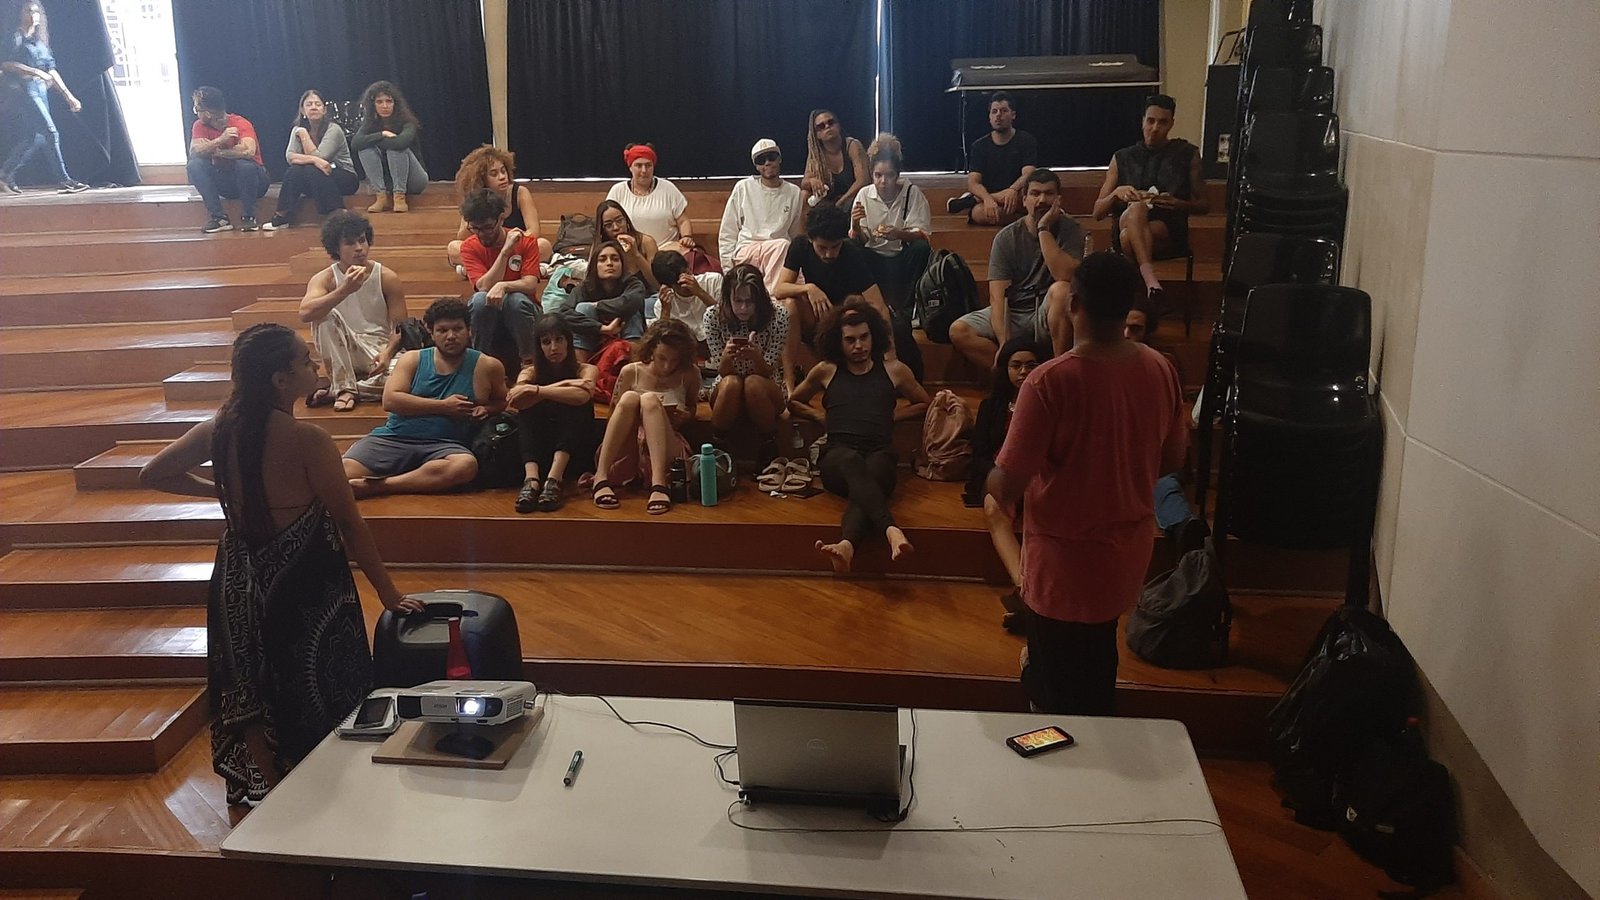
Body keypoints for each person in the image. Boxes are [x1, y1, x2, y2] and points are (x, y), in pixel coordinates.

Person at [138, 323, 424, 804]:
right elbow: (350, 525)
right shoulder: (308, 440)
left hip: (237, 574)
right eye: (305, 361)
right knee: (310, 675)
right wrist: (389, 594)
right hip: (304, 578)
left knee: (249, 678)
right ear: (280, 378)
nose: (315, 367)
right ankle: (324, 784)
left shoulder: (219, 428)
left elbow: (152, 473)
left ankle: (274, 792)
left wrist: (223, 491)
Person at [987, 252, 1188, 716]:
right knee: (1097, 659)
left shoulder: (1048, 383)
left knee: (1054, 693)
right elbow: (1173, 459)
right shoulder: (1161, 368)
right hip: (1127, 551)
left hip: (1064, 560)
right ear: (1127, 307)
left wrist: (997, 472)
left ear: (1072, 303)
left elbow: (1008, 484)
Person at [789, 300, 929, 574]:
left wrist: (892, 417)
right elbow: (794, 401)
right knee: (852, 462)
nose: (858, 346)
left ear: (873, 335)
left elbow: (923, 402)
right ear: (837, 341)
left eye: (864, 337)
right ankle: (891, 529)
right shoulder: (826, 370)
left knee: (871, 473)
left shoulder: (894, 370)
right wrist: (820, 417)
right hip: (837, 457)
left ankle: (847, 546)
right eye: (850, 340)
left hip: (880, 452)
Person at [342, 297, 506, 498]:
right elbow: (391, 400)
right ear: (431, 331)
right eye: (443, 330)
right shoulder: (413, 359)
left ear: (468, 329)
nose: (451, 336)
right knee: (343, 471)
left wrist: (487, 410)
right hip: (395, 437)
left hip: (445, 445)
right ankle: (416, 477)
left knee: (465, 466)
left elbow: (502, 402)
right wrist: (444, 406)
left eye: (457, 329)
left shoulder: (488, 366)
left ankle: (382, 486)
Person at [949, 169, 1085, 373]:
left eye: (1048, 194)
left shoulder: (1071, 230)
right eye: (1035, 193)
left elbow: (1066, 276)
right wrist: (1005, 345)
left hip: (1048, 312)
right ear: (1024, 199)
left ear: (1058, 199)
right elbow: (998, 296)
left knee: (1062, 291)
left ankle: (1059, 373)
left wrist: (1043, 230)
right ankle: (1012, 378)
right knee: (959, 330)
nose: (1041, 200)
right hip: (1014, 310)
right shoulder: (1007, 237)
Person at [959, 338, 1048, 633]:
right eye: (1016, 365)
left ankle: (1030, 594)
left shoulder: (1051, 404)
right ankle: (1023, 585)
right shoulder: (992, 406)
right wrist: (1002, 473)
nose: (1023, 371)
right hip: (1001, 475)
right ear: (1005, 369)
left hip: (1040, 477)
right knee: (993, 506)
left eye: (1031, 365)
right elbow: (980, 454)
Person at [1093, 94, 1207, 300]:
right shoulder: (1122, 157)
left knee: (1128, 236)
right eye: (1150, 121)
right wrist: (1116, 194)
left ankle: (1136, 297)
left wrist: (1177, 203)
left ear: (1172, 124)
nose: (1155, 128)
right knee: (1135, 211)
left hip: (1167, 231)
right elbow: (1097, 212)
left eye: (1162, 122)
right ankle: (1150, 283)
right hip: (1125, 225)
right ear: (1142, 121)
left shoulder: (1187, 153)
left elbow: (1204, 205)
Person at [298, 211, 406, 412]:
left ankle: (341, 389)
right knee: (324, 314)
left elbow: (400, 329)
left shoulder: (386, 276)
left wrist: (387, 353)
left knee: (410, 380)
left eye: (362, 240)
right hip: (345, 349)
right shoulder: (325, 278)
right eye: (349, 243)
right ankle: (345, 389)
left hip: (379, 351)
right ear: (336, 248)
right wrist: (344, 290)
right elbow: (305, 313)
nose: (359, 248)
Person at [775, 204, 896, 381]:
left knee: (854, 300)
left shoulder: (851, 253)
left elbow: (878, 305)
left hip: (843, 323)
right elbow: (779, 289)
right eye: (822, 248)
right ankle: (789, 382)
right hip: (815, 319)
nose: (829, 254)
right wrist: (809, 288)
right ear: (810, 239)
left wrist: (892, 359)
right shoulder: (800, 246)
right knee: (790, 304)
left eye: (835, 247)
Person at [590, 318, 700, 515]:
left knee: (649, 401)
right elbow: (614, 414)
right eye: (662, 358)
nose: (667, 366)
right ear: (651, 352)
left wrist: (685, 416)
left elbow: (692, 406)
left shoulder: (689, 374)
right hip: (630, 444)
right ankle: (601, 477)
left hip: (666, 443)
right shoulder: (631, 372)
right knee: (632, 398)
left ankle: (659, 483)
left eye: (674, 360)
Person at [851, 133, 931, 380]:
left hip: (901, 255)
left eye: (888, 176)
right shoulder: (864, 195)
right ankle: (875, 302)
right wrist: (855, 226)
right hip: (874, 256)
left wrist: (899, 234)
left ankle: (905, 307)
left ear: (897, 175)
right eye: (877, 175)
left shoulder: (911, 193)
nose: (883, 181)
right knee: (852, 249)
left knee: (921, 250)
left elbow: (924, 235)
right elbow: (859, 239)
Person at [507, 315, 598, 514]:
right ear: (539, 347)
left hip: (574, 449)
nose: (553, 347)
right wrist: (560, 385)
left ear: (568, 342)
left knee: (572, 404)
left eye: (559, 340)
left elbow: (583, 396)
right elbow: (516, 400)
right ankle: (531, 480)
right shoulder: (529, 372)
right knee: (527, 410)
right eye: (546, 342)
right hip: (540, 447)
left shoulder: (586, 369)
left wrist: (537, 391)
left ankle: (554, 480)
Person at [703, 264, 790, 461]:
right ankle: (717, 449)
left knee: (753, 383)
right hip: (727, 385)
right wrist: (726, 358)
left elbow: (769, 369)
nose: (743, 308)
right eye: (738, 301)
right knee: (732, 383)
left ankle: (769, 447)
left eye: (750, 302)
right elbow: (722, 371)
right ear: (728, 299)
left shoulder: (779, 316)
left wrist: (756, 358)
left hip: (765, 384)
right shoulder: (712, 316)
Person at [0, 0, 87, 194]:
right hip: (24, 90)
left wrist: (68, 96)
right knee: (50, 132)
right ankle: (65, 180)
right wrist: (35, 72)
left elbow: (51, 70)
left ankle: (5, 174)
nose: (33, 15)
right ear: (21, 14)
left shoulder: (40, 42)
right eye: (29, 11)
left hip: (41, 91)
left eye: (36, 11)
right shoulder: (15, 37)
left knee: (33, 138)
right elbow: (5, 64)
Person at [460, 189, 543, 367]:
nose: (482, 234)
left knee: (515, 300)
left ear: (501, 219)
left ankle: (529, 363)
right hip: (490, 314)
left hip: (525, 313)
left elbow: (530, 284)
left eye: (488, 227)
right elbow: (483, 287)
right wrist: (505, 252)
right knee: (480, 300)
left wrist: (504, 286)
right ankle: (480, 363)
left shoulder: (526, 241)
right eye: (475, 228)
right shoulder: (469, 247)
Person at [447, 144, 550, 276]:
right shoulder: (475, 197)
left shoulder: (520, 193)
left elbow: (534, 232)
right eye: (494, 174)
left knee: (543, 245)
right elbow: (462, 236)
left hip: (515, 249)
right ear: (482, 179)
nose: (502, 177)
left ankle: (479, 271)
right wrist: (476, 208)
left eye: (503, 171)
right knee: (454, 247)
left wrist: (509, 244)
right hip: (487, 250)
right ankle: (514, 271)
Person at [262, 90, 356, 231]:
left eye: (318, 104)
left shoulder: (334, 129)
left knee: (310, 168)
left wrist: (306, 141)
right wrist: (314, 160)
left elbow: (322, 157)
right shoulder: (298, 129)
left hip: (344, 177)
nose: (313, 107)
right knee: (296, 170)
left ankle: (338, 213)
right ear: (302, 110)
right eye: (309, 104)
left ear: (324, 110)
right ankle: (282, 215)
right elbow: (290, 157)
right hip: (316, 179)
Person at [717, 138, 803, 290]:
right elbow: (727, 232)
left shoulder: (794, 192)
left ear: (779, 159)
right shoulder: (744, 187)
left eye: (771, 157)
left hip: (780, 253)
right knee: (782, 246)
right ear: (756, 166)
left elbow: (794, 233)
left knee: (786, 251)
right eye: (761, 160)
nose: (767, 163)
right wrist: (728, 271)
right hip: (748, 249)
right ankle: (772, 302)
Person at [947, 92, 1037, 226]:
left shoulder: (1026, 140)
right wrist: (987, 198)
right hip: (991, 199)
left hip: (1018, 197)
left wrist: (1012, 190)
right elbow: (973, 182)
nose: (998, 115)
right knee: (979, 213)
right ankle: (1031, 220)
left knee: (1033, 199)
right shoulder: (979, 146)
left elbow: (1028, 174)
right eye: (994, 111)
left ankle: (972, 200)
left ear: (1013, 115)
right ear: (989, 117)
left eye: (1004, 111)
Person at [187, 85, 265, 233]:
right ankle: (219, 218)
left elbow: (248, 150)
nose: (196, 113)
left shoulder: (240, 122)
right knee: (195, 165)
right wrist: (220, 140)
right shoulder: (199, 125)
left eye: (198, 109)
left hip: (254, 181)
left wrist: (213, 151)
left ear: (208, 113)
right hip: (226, 180)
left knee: (244, 166)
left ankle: (249, 216)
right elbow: (194, 151)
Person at [351, 80, 427, 213]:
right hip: (388, 182)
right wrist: (382, 134)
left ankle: (399, 197)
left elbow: (400, 143)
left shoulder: (407, 122)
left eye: (389, 101)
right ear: (373, 105)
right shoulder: (369, 124)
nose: (385, 106)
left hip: (414, 180)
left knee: (395, 148)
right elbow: (356, 144)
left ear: (395, 104)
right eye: (379, 102)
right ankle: (381, 196)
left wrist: (373, 139)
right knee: (365, 149)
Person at [605, 143, 697, 252]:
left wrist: (687, 237)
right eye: (639, 166)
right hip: (632, 252)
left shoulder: (668, 188)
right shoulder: (618, 191)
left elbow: (682, 221)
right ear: (630, 168)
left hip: (667, 252)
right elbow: (608, 222)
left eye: (648, 165)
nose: (644, 170)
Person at [566, 239, 649, 359]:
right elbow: (564, 313)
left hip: (625, 340)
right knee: (583, 308)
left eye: (615, 259)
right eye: (602, 259)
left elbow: (631, 302)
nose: (609, 263)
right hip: (593, 342)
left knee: (632, 309)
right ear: (595, 266)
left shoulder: (633, 284)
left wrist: (598, 305)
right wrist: (602, 328)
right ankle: (582, 369)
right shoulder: (585, 288)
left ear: (622, 265)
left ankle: (632, 366)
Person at [647, 248, 720, 350]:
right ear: (668, 285)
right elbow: (663, 342)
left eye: (686, 274)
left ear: (689, 268)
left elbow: (726, 318)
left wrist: (700, 292)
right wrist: (666, 312)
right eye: (677, 284)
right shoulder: (662, 305)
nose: (684, 286)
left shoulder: (713, 281)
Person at [800, 108, 868, 209]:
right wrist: (812, 181)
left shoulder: (852, 145)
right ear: (817, 134)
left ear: (838, 125)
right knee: (804, 195)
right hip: (828, 201)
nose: (827, 127)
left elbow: (863, 180)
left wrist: (841, 202)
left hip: (852, 198)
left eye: (831, 122)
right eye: (821, 126)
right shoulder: (816, 154)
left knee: (853, 203)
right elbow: (804, 182)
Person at [596, 199, 660, 289]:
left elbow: (657, 284)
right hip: (616, 300)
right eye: (608, 225)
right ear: (603, 230)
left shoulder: (646, 242)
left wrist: (636, 255)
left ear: (626, 221)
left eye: (619, 221)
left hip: (648, 297)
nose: (616, 227)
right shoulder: (601, 248)